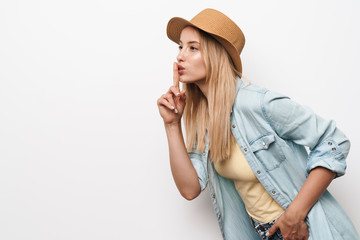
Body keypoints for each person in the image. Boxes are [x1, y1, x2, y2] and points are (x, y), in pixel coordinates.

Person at [157, 8, 359, 240]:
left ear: (216, 54)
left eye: (193, 47)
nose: (180, 56)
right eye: (180, 46)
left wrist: (295, 214)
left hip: (305, 230)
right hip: (263, 233)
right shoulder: (203, 119)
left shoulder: (257, 103)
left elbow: (334, 141)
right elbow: (190, 189)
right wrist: (172, 125)